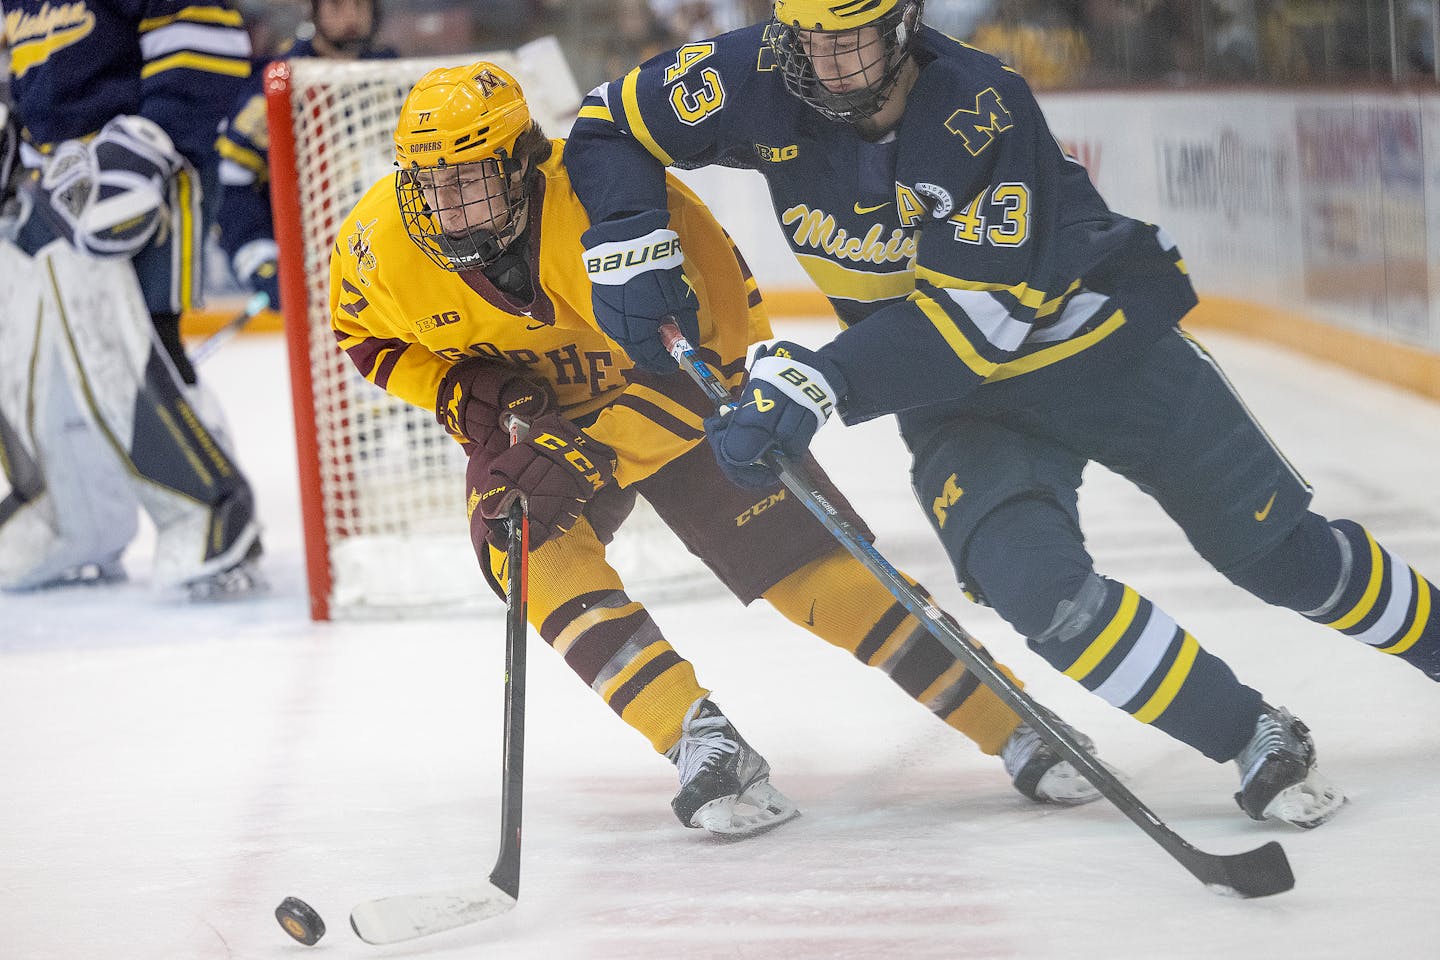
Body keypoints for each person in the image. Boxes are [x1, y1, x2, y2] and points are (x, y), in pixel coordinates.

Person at [562, 0, 1440, 829]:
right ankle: (1252, 734)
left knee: (1284, 562)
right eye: (806, 43)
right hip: (955, 407)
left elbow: (972, 324)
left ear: (904, 25)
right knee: (1040, 595)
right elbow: (608, 121)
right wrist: (630, 239)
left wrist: (817, 381)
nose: (826, 65)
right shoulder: (756, 73)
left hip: (1104, 358)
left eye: (852, 41)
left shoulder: (980, 106)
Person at [329, 60, 1116, 838]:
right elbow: (364, 338)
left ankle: (1011, 718)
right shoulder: (380, 243)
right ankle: (700, 740)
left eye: (467, 180)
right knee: (520, 539)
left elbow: (720, 369)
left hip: (668, 398)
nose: (445, 205)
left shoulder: (623, 209)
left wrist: (592, 454)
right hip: (546, 409)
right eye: (429, 184)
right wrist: (460, 390)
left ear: (521, 164)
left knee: (812, 570)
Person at [0, 0, 262, 597]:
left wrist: (149, 141)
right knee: (34, 354)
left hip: (147, 171)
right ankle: (68, 519)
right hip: (53, 181)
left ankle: (213, 516)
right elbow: (40, 78)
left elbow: (205, 37)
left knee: (138, 346)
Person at [216, 0, 396, 311]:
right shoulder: (279, 85)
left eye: (361, 4)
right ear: (313, 10)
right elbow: (233, 183)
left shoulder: (392, 76)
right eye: (338, 5)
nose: (352, 16)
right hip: (310, 271)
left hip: (383, 273)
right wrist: (262, 262)